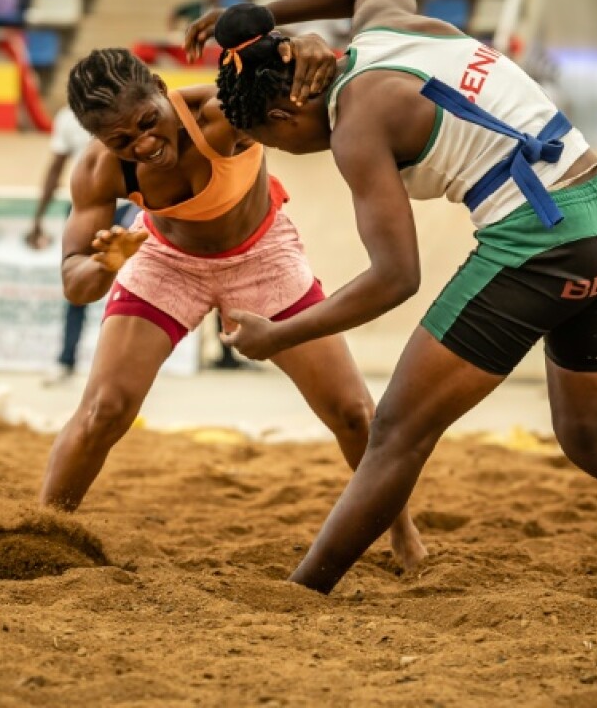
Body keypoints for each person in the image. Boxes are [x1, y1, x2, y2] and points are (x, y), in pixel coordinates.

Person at [187, 0, 597, 604]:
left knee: (395, 431)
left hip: (544, 242)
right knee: (591, 435)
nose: (284, 149)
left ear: (286, 112)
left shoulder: (355, 126)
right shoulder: (387, 25)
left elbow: (395, 278)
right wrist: (267, 21)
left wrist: (279, 334)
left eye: (271, 139)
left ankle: (305, 590)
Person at [38, 43, 427, 572]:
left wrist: (307, 45)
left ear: (160, 86)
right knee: (104, 409)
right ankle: (43, 532)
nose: (145, 144)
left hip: (261, 255)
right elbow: (74, 285)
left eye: (149, 122)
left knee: (354, 413)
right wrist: (105, 265)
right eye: (122, 140)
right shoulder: (99, 170)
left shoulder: (222, 115)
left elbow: (303, 81)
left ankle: (401, 531)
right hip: (163, 259)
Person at [27, 105, 133, 384]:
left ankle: (122, 367)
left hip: (127, 206)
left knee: (132, 287)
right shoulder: (67, 117)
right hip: (85, 207)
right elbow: (56, 168)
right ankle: (66, 360)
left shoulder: (130, 110)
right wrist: (38, 217)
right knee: (77, 283)